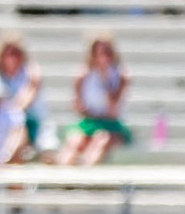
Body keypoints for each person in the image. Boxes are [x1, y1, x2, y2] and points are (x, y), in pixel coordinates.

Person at [55, 35, 130, 166]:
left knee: (101, 139)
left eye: (107, 53)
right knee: (75, 140)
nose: (104, 57)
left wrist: (105, 81)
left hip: (110, 124)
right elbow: (77, 105)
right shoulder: (83, 75)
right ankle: (62, 172)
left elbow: (113, 107)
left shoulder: (121, 75)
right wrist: (90, 114)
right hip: (89, 121)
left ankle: (86, 169)